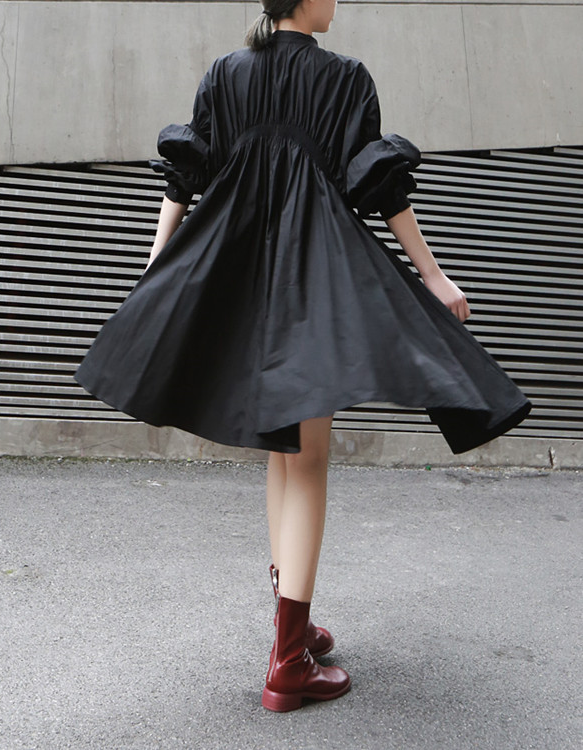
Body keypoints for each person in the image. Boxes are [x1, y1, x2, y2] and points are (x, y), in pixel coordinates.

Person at [74, 0, 532, 712]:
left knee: (283, 451)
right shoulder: (345, 78)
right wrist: (434, 276)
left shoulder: (226, 73)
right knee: (308, 458)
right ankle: (288, 659)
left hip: (240, 275)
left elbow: (184, 177)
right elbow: (381, 189)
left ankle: (295, 616)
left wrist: (158, 265)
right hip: (311, 280)